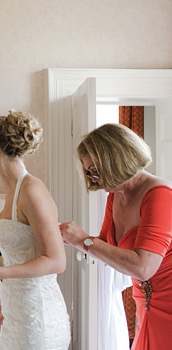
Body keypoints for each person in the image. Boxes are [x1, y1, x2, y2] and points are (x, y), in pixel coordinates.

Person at [0, 111, 70, 350]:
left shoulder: (32, 190)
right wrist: (3, 303)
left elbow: (56, 261)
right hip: (17, 313)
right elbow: (22, 258)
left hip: (38, 316)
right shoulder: (13, 191)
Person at [60, 123, 172, 350]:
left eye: (95, 170)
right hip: (146, 304)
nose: (93, 178)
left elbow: (143, 267)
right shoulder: (116, 196)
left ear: (115, 160)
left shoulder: (160, 195)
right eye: (88, 172)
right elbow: (103, 244)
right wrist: (69, 239)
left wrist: (83, 240)